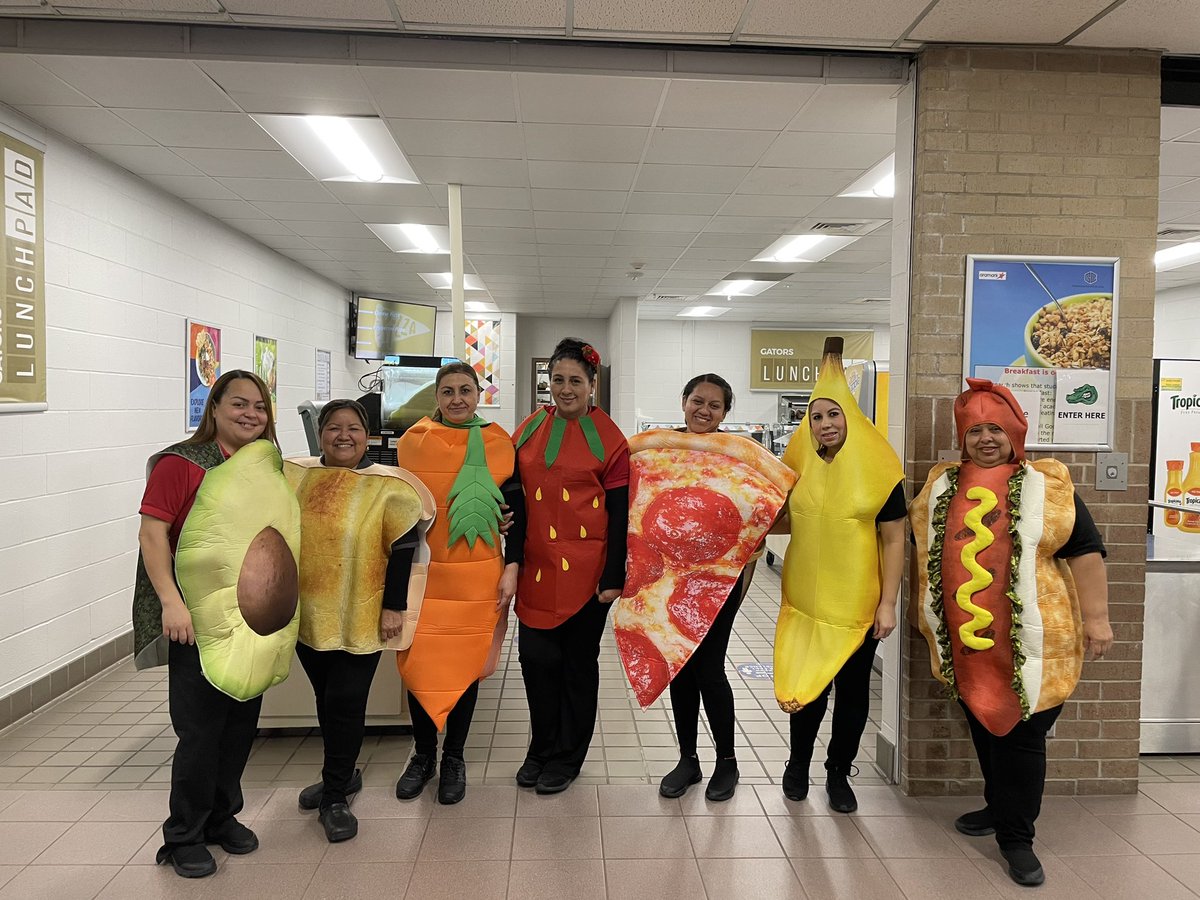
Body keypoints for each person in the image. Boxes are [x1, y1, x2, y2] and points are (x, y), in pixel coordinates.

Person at [909, 378, 1112, 888]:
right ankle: (998, 807)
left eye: (994, 429)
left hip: (1036, 642)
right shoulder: (941, 488)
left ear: (1015, 433)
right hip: (968, 643)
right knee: (983, 721)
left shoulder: (1047, 486)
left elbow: (1085, 550)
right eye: (974, 430)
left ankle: (1016, 838)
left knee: (1022, 737)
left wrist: (1098, 618)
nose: (985, 439)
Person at [134, 370, 293, 879]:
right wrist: (171, 603)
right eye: (240, 404)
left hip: (248, 619)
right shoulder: (182, 463)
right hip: (195, 617)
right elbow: (153, 535)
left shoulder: (262, 467)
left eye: (260, 407)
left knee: (240, 723)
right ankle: (184, 833)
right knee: (200, 730)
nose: (251, 414)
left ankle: (223, 817)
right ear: (215, 409)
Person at [288, 399, 435, 842]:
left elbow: (404, 548)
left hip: (363, 613)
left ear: (367, 435)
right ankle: (344, 774)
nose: (343, 436)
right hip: (310, 614)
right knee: (326, 697)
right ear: (321, 433)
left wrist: (394, 607)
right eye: (333, 427)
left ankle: (335, 797)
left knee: (346, 701)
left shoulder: (388, 486)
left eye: (353, 428)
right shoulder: (297, 478)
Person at [774, 339, 906, 814]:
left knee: (852, 693)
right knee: (808, 686)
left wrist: (888, 603)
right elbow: (781, 518)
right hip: (805, 600)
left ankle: (838, 771)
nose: (825, 425)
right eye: (816, 417)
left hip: (856, 603)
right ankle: (797, 763)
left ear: (851, 417)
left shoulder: (880, 470)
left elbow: (894, 539)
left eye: (833, 415)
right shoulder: (798, 466)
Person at [393, 362, 524, 805]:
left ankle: (454, 757)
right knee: (420, 664)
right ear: (437, 395)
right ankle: (422, 756)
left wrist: (513, 562)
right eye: (447, 391)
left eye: (465, 390)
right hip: (425, 575)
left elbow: (517, 508)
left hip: (477, 574)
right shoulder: (414, 443)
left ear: (478, 393)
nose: (457, 399)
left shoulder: (497, 443)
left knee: (466, 665)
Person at [512, 337, 629, 794]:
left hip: (589, 572)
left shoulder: (612, 439)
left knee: (576, 667)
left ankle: (567, 756)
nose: (565, 389)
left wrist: (614, 574)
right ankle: (540, 747)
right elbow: (513, 488)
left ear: (592, 384)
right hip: (536, 568)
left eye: (575, 380)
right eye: (557, 380)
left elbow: (620, 511)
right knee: (536, 661)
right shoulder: (529, 428)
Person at [657, 374, 754, 801]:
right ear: (683, 401)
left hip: (719, 581)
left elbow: (764, 513)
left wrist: (743, 571)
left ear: (725, 414)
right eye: (698, 401)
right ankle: (688, 760)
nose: (704, 410)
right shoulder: (662, 450)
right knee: (679, 666)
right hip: (672, 578)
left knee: (710, 671)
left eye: (715, 406)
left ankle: (727, 762)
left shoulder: (740, 456)